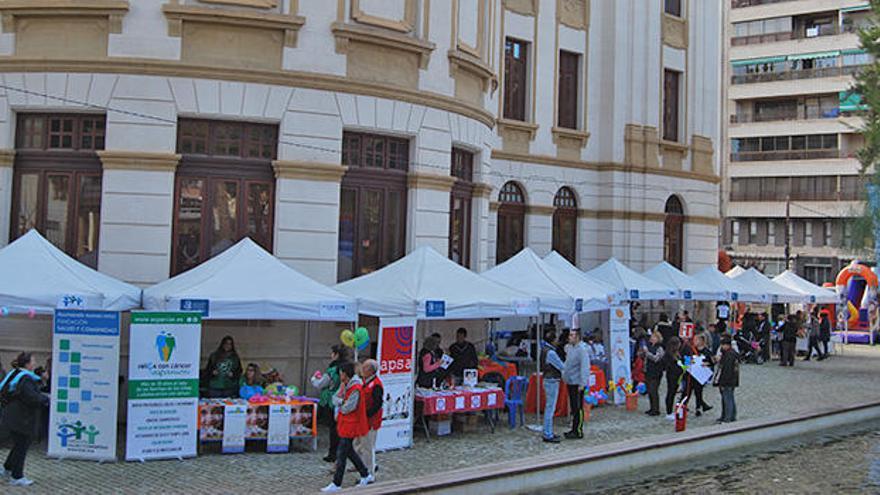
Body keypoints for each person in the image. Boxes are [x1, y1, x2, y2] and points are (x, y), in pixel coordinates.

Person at [321, 361, 373, 492]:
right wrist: (340, 401)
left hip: (351, 424)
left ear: (345, 374)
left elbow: (347, 407)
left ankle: (337, 483)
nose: (340, 376)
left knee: (342, 454)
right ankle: (365, 474)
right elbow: (336, 399)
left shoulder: (355, 388)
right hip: (346, 424)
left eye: (341, 374)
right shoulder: (348, 386)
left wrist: (340, 401)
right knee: (349, 452)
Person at [0, 352, 49, 486]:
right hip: (21, 417)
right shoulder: (26, 378)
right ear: (27, 364)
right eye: (33, 361)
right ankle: (17, 477)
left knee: (18, 444)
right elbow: (32, 398)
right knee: (22, 445)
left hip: (11, 414)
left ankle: (7, 468)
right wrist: (47, 399)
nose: (34, 363)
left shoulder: (15, 373)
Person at [315, 345, 351, 463]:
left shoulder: (333, 369)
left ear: (336, 354)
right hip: (344, 399)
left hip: (332, 401)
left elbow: (321, 384)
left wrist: (314, 379)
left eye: (332, 353)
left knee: (333, 428)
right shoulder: (349, 366)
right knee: (339, 428)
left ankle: (333, 453)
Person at [354, 359, 383, 478]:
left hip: (370, 421)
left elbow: (377, 404)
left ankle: (369, 473)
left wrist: (366, 415)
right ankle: (365, 466)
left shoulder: (376, 384)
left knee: (367, 447)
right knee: (357, 445)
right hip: (362, 420)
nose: (362, 369)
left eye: (364, 367)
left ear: (370, 370)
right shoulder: (365, 382)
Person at [562, 329, 590, 439]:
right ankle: (573, 428)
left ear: (577, 337)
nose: (569, 337)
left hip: (578, 382)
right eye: (569, 335)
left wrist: (582, 383)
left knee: (578, 407)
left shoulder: (582, 350)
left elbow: (585, 367)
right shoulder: (569, 348)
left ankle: (578, 430)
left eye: (572, 335)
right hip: (570, 381)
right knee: (573, 407)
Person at [540, 329, 565, 443]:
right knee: (550, 408)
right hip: (552, 380)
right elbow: (560, 365)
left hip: (548, 379)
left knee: (549, 407)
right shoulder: (551, 353)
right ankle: (547, 433)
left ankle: (548, 431)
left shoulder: (544, 350)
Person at [683, 334, 714, 417]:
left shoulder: (706, 351)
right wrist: (689, 362)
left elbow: (712, 362)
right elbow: (686, 360)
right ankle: (682, 406)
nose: (694, 341)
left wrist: (706, 363)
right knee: (686, 392)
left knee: (698, 392)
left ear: (702, 341)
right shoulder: (691, 350)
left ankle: (698, 408)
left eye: (697, 340)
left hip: (700, 375)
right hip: (691, 374)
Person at [714, 336, 739, 423]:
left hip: (728, 381)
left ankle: (727, 417)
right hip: (732, 380)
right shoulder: (731, 354)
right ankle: (730, 415)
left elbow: (727, 371)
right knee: (730, 398)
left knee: (727, 399)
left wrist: (722, 383)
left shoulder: (729, 355)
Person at [642, 331, 665, 416]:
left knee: (653, 390)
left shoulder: (660, 348)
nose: (651, 338)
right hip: (648, 371)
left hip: (656, 372)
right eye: (651, 337)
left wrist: (647, 353)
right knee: (649, 390)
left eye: (653, 337)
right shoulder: (649, 346)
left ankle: (656, 409)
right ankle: (652, 408)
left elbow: (656, 359)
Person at [663, 336, 683, 420]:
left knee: (673, 393)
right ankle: (669, 411)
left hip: (677, 376)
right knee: (670, 393)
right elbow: (670, 366)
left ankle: (671, 410)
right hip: (672, 376)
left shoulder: (677, 353)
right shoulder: (668, 355)